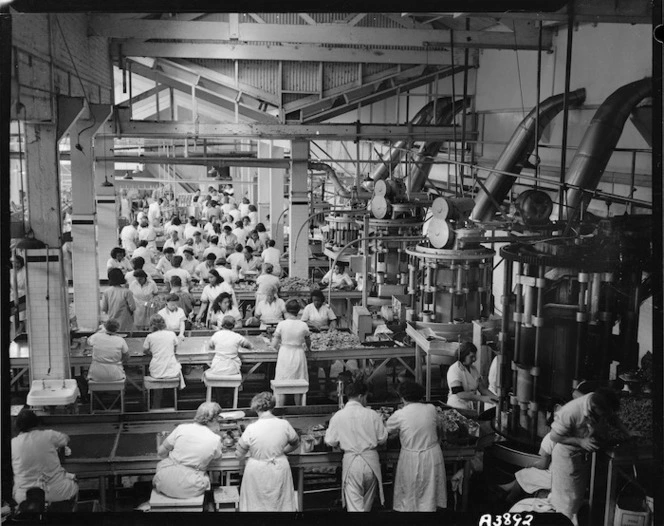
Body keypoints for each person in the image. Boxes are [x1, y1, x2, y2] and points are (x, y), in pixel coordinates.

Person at [548, 387, 630, 524]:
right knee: (567, 503)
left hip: (581, 456)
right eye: (603, 414)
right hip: (566, 457)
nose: (605, 417)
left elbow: (612, 418)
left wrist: (627, 432)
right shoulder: (571, 411)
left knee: (576, 498)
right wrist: (580, 441)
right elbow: (554, 436)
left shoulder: (599, 401)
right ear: (594, 407)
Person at [324, 379, 388, 512]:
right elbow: (382, 438)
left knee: (354, 506)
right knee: (367, 504)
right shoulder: (372, 415)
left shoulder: (338, 416)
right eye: (365, 397)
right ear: (360, 396)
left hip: (351, 462)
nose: (366, 400)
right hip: (371, 462)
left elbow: (330, 441)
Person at [386, 381, 447, 512]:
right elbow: (439, 427)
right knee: (429, 494)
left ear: (402, 397)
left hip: (411, 457)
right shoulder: (431, 408)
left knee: (409, 495)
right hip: (431, 454)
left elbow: (385, 432)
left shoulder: (400, 414)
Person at [236, 392, 300, 511]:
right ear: (272, 406)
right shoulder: (284, 424)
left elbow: (239, 454)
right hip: (279, 465)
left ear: (255, 408)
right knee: (280, 505)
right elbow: (295, 443)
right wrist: (281, 452)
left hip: (257, 469)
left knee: (256, 506)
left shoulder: (251, 428)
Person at [11, 409, 78, 511]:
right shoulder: (48, 435)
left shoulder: (12, 443)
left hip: (24, 497)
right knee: (74, 483)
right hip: (58, 492)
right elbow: (65, 439)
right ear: (36, 423)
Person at [153, 402, 223, 499]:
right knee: (207, 479)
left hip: (164, 481)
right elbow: (217, 459)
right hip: (191, 487)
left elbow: (161, 452)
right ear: (214, 419)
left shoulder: (181, 428)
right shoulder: (215, 439)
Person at [271, 300, 311, 406]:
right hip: (298, 353)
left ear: (286, 311)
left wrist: (273, 346)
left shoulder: (281, 324)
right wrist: (309, 349)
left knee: (281, 381)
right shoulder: (303, 325)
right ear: (298, 311)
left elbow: (274, 343)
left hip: (285, 352)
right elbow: (308, 341)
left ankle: (279, 408)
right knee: (299, 382)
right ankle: (300, 408)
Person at [446, 342, 498, 411]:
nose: (474, 359)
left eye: (475, 356)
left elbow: (482, 389)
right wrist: (482, 398)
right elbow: (460, 394)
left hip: (468, 408)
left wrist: (496, 397)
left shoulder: (473, 369)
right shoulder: (454, 369)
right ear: (464, 355)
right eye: (471, 356)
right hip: (456, 407)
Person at [143, 314, 185, 393]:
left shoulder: (150, 337)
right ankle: (174, 398)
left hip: (156, 372)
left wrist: (153, 352)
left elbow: (145, 350)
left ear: (151, 325)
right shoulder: (171, 334)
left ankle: (156, 400)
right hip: (172, 371)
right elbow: (175, 349)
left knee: (153, 373)